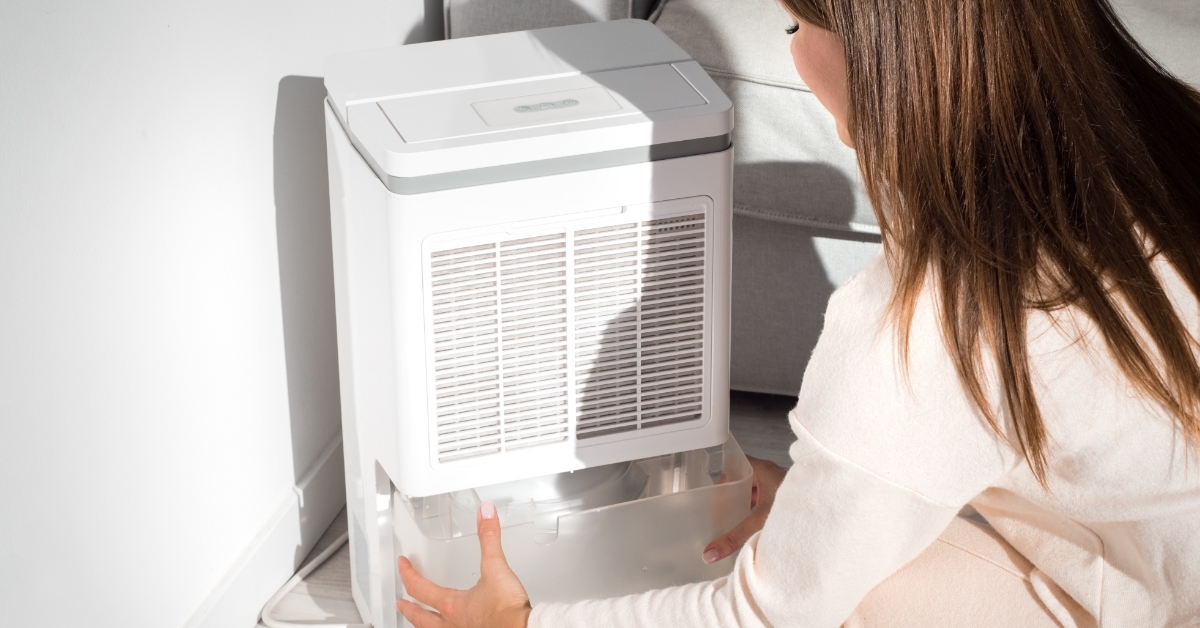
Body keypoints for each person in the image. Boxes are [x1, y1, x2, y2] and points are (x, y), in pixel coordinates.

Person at [394, 0, 1200, 625]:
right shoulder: (1172, 123)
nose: (794, 53)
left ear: (881, 51)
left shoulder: (926, 325)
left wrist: (526, 623)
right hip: (1161, 554)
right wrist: (829, 496)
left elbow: (766, 615)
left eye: (795, 24)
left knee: (856, 595)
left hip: (1163, 601)